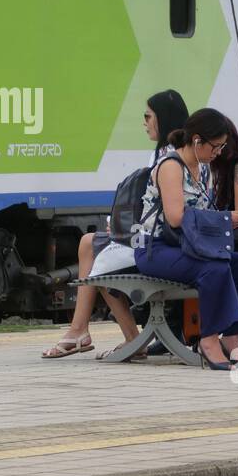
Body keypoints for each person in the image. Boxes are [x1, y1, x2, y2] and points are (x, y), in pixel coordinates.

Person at [42, 90, 189, 359]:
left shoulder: (169, 158)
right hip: (157, 237)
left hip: (162, 243)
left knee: (98, 252)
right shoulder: (166, 154)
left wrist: (125, 230)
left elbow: (165, 211)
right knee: (92, 245)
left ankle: (104, 335)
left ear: (163, 118)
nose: (144, 122)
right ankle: (85, 331)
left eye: (148, 116)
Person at [131, 108, 238, 370]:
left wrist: (229, 220)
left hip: (190, 247)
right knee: (215, 268)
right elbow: (175, 217)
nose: (218, 152)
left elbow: (202, 216)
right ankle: (208, 339)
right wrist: (224, 219)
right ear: (197, 140)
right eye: (216, 146)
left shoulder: (205, 169)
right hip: (156, 249)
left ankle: (231, 339)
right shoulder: (170, 166)